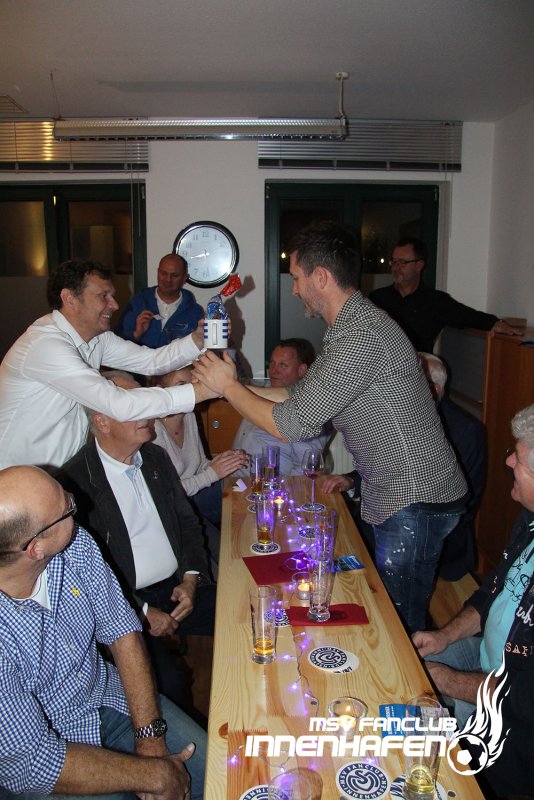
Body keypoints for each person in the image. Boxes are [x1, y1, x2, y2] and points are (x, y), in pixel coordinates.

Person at [194, 220, 467, 633]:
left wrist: (229, 388)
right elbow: (299, 396)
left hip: (414, 498)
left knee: (398, 622)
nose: (294, 289)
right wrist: (233, 386)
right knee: (386, 608)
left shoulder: (360, 335)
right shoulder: (352, 328)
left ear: (321, 277)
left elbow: (292, 424)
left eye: (297, 278)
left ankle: (410, 674)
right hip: (402, 495)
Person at [0, 465, 206, 800]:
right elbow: (33, 764)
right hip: (53, 757)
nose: (75, 500)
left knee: (220, 773)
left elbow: (123, 632)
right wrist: (154, 775)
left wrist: (151, 739)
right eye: (66, 507)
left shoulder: (75, 544)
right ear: (35, 548)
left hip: (108, 696)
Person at [59, 371, 216, 711]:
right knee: (167, 686)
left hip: (178, 588)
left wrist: (192, 578)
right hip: (124, 605)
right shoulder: (76, 481)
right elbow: (82, 574)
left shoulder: (155, 457)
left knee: (245, 613)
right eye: (134, 405)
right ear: (101, 421)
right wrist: (142, 611)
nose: (148, 412)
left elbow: (188, 523)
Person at [412, 403, 534, 797]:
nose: (509, 460)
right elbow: (491, 592)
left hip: (514, 728)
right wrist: (444, 636)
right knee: (409, 667)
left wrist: (446, 679)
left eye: (519, 458)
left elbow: (522, 698)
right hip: (488, 660)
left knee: (423, 754)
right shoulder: (529, 518)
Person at [0, 259, 211, 471]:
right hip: (15, 477)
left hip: (59, 473)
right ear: (69, 298)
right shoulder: (45, 346)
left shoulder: (97, 339)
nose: (115, 305)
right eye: (104, 296)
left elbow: (152, 361)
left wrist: (198, 339)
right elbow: (117, 404)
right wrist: (200, 392)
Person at [369, 237, 522, 353]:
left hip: (417, 372)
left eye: (402, 262)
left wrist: (495, 322)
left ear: (419, 265)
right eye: (394, 262)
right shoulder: (378, 299)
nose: (396, 268)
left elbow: (467, 316)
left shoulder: (435, 301)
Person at [152, 367, 248, 529]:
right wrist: (213, 474)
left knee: (242, 488)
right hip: (172, 509)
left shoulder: (189, 416)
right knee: (238, 494)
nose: (190, 392)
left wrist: (222, 462)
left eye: (192, 385)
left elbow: (200, 463)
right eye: (181, 385)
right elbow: (166, 492)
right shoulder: (152, 431)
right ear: (160, 390)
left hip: (193, 498)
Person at [419, 352, 486, 580]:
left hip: (442, 541)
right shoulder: (403, 417)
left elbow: (465, 500)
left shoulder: (466, 430)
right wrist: (351, 480)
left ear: (435, 389)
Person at [232, 338, 331, 476]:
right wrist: (227, 342)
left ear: (302, 370)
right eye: (272, 363)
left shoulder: (309, 408)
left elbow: (307, 466)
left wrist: (280, 488)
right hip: (233, 480)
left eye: (283, 365)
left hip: (265, 486)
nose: (273, 370)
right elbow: (234, 381)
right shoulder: (263, 388)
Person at [117, 254, 204, 347]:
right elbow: (117, 346)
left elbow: (200, 347)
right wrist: (136, 334)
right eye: (163, 273)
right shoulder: (137, 304)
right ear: (158, 273)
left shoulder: (195, 313)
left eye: (174, 276)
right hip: (140, 356)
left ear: (184, 278)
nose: (168, 280)